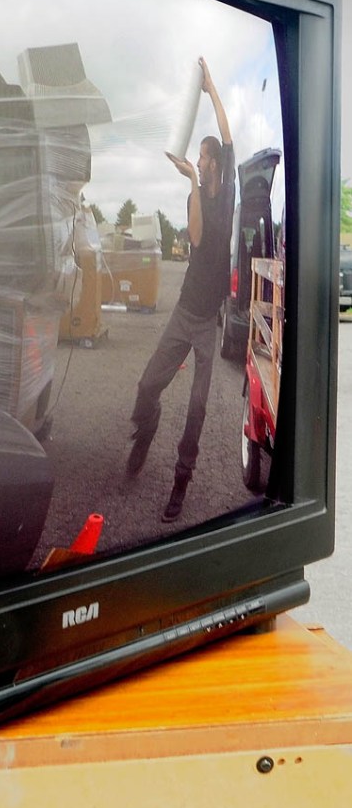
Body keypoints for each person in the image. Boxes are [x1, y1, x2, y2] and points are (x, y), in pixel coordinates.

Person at [126, 58, 235, 522]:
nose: (201, 160)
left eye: (204, 158)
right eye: (201, 158)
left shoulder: (228, 192)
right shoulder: (196, 195)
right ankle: (146, 427)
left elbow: (228, 136)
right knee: (148, 385)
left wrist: (211, 88)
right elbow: (195, 237)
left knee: (197, 408)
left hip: (207, 323)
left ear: (215, 162)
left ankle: (180, 482)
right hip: (184, 312)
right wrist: (190, 180)